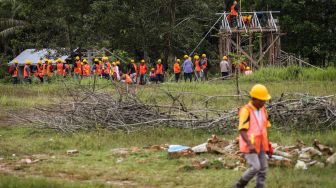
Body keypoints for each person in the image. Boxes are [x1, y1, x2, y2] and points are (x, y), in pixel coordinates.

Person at [234, 84, 272, 188]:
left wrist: (267, 144)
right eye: (261, 100)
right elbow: (242, 130)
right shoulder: (246, 111)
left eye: (265, 100)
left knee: (263, 167)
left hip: (261, 144)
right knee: (255, 167)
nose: (264, 102)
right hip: (249, 145)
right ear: (254, 99)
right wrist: (250, 145)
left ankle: (259, 186)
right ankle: (238, 186)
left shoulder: (263, 109)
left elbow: (264, 128)